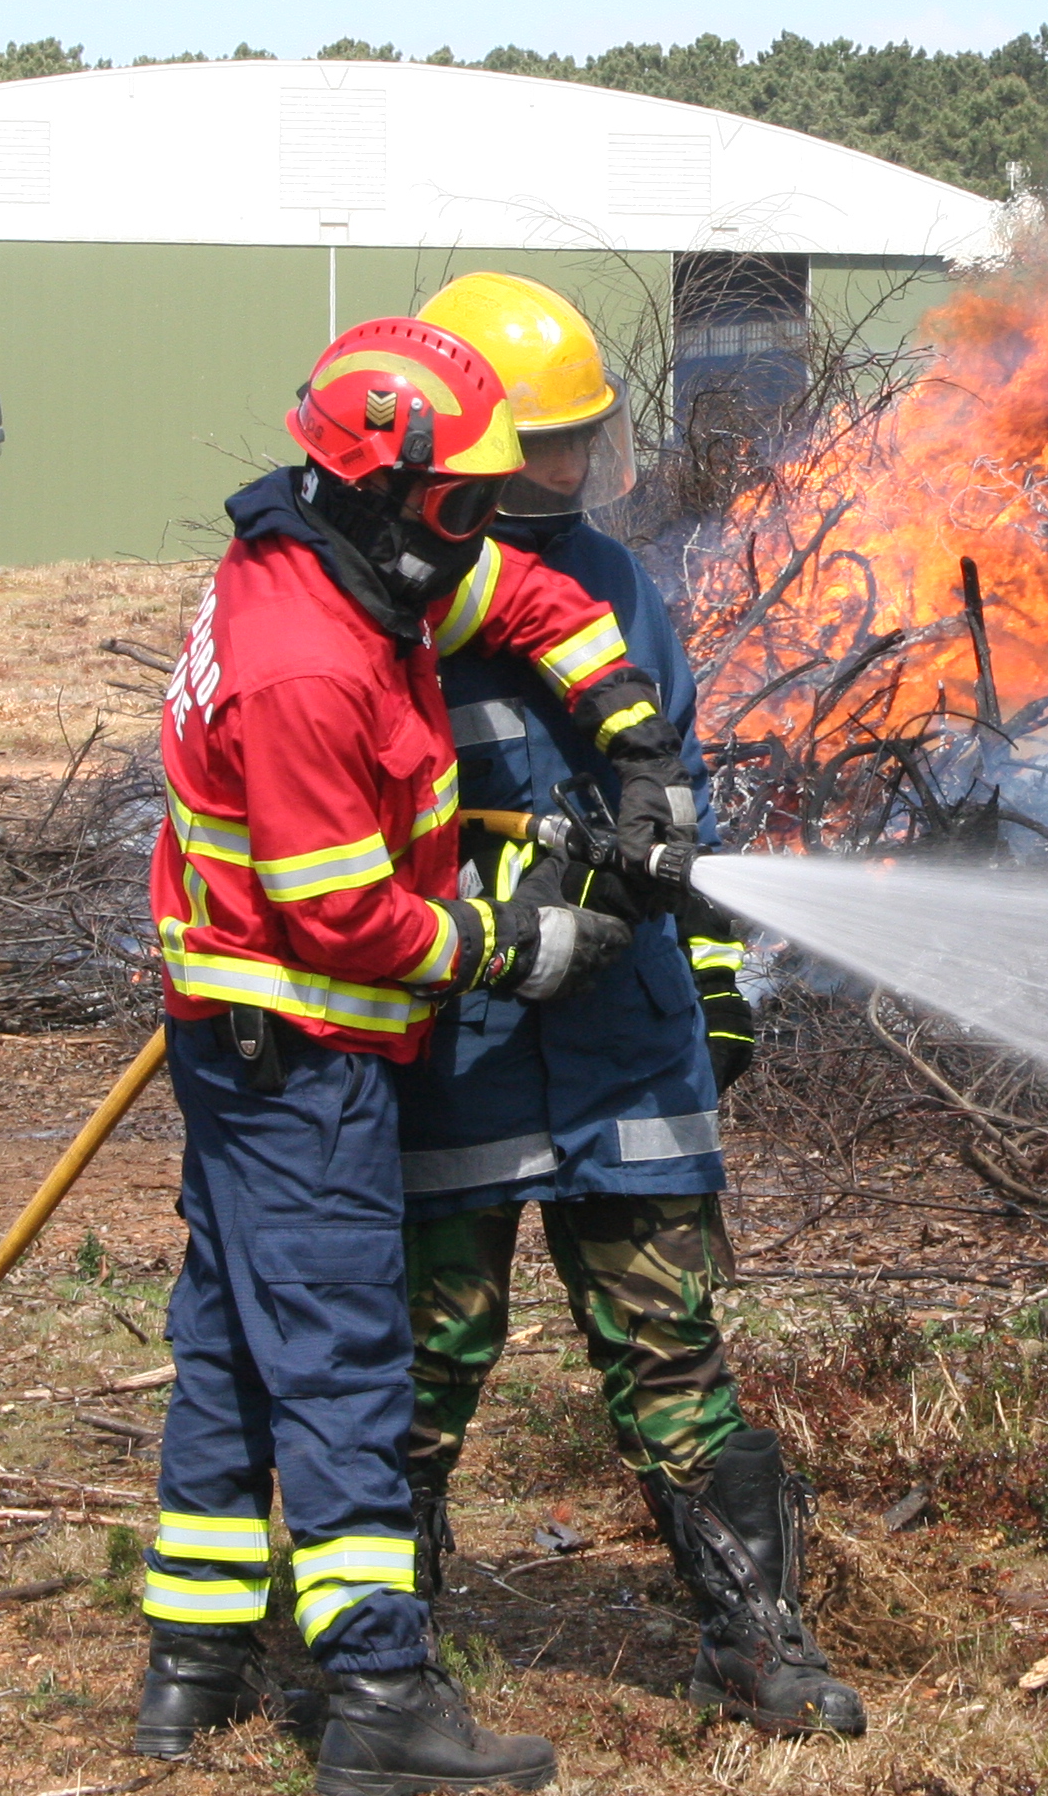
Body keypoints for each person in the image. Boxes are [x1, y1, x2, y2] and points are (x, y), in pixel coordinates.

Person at [135, 315, 700, 1788]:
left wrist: (634, 741)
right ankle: (382, 1704)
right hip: (298, 1055)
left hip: (249, 1048)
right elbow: (342, 918)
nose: (477, 535)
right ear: (385, 489)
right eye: (458, 505)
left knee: (231, 1346)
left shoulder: (349, 561)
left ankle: (191, 1665)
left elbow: (527, 602)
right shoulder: (306, 665)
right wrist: (517, 946)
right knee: (341, 1367)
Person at [399, 272, 864, 1739]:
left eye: (581, 440)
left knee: (674, 1351)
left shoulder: (616, 582)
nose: (571, 470)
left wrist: (705, 969)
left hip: (625, 1046)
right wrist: (501, 909)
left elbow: (687, 806)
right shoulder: (389, 610)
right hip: (462, 1037)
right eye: (541, 444)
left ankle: (757, 1645)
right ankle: (375, 1656)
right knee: (423, 1359)